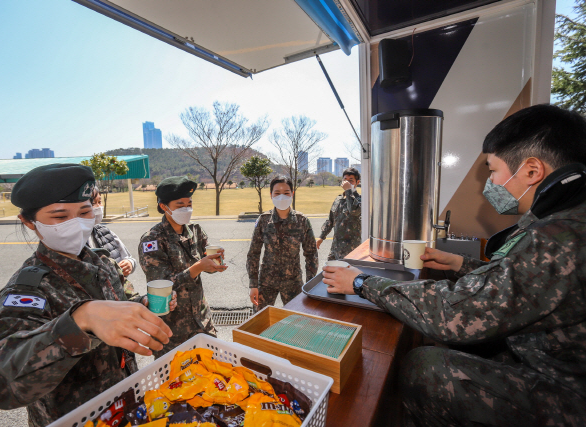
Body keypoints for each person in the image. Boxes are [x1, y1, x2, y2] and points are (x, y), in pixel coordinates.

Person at [323, 104, 586, 426]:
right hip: (550, 361)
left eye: (492, 170)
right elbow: (517, 282)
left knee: (427, 366)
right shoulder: (567, 217)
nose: (489, 182)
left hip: (568, 393)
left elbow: (454, 315)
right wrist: (461, 263)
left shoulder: (560, 236)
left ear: (532, 171)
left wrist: (362, 283)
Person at [0, 164, 176, 427]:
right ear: (29, 222)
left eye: (84, 212)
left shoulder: (101, 262)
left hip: (125, 406)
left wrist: (141, 305)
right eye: (59, 217)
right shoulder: (29, 290)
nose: (76, 224)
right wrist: (79, 321)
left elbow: (118, 305)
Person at [138, 176, 226, 357]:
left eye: (189, 204)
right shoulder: (152, 240)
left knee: (213, 376)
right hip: (173, 332)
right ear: (164, 207)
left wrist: (214, 263)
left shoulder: (195, 231)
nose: (186, 209)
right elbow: (159, 286)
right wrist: (198, 267)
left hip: (202, 322)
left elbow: (204, 263)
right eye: (180, 205)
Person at [247, 175, 319, 311]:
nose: (282, 197)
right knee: (259, 320)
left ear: (292, 194)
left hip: (293, 282)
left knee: (297, 320)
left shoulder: (302, 221)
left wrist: (310, 284)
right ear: (271, 195)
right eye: (277, 193)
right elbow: (253, 254)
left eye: (286, 193)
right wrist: (253, 285)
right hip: (266, 282)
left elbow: (311, 254)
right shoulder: (263, 220)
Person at [89, 187, 137, 276]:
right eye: (93, 203)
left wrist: (130, 263)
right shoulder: (74, 241)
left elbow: (129, 258)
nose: (99, 207)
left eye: (99, 202)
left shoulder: (105, 232)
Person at [316, 167, 362, 260]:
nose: (347, 183)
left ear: (357, 182)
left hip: (351, 250)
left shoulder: (360, 200)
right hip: (335, 248)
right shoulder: (338, 199)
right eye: (345, 180)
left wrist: (349, 191)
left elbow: (353, 211)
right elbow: (331, 220)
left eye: (351, 180)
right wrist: (321, 237)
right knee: (328, 272)